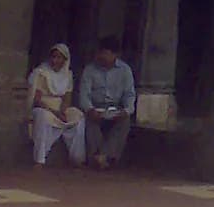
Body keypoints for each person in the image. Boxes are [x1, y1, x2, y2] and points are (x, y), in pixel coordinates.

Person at [78, 36, 136, 170]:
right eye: (101, 53)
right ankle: (97, 157)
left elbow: (129, 94)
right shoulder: (90, 69)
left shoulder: (125, 70)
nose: (103, 57)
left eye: (107, 53)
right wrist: (90, 109)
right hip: (96, 108)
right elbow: (84, 94)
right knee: (90, 122)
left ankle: (104, 156)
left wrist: (126, 110)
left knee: (125, 122)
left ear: (115, 54)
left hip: (115, 109)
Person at [27, 43, 85, 167]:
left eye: (59, 58)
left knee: (78, 117)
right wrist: (55, 113)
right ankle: (39, 160)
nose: (55, 61)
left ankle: (77, 158)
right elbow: (37, 100)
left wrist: (63, 111)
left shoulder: (67, 74)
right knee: (42, 117)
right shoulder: (42, 73)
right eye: (53, 57)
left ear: (65, 60)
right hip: (44, 107)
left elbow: (67, 98)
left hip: (60, 108)